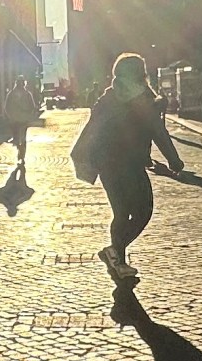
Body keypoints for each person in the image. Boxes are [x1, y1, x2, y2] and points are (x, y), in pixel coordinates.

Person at [77, 52, 185, 286]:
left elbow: (92, 128)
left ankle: (119, 261)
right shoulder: (143, 98)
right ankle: (115, 251)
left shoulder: (107, 97)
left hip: (106, 164)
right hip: (131, 164)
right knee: (143, 211)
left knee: (121, 212)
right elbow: (158, 131)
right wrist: (173, 160)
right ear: (140, 73)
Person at [3, 77, 39, 168]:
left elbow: (6, 107)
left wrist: (9, 116)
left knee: (17, 138)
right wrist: (29, 115)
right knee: (22, 139)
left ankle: (20, 153)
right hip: (22, 119)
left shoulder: (11, 94)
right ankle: (21, 154)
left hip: (15, 120)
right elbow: (32, 107)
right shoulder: (27, 94)